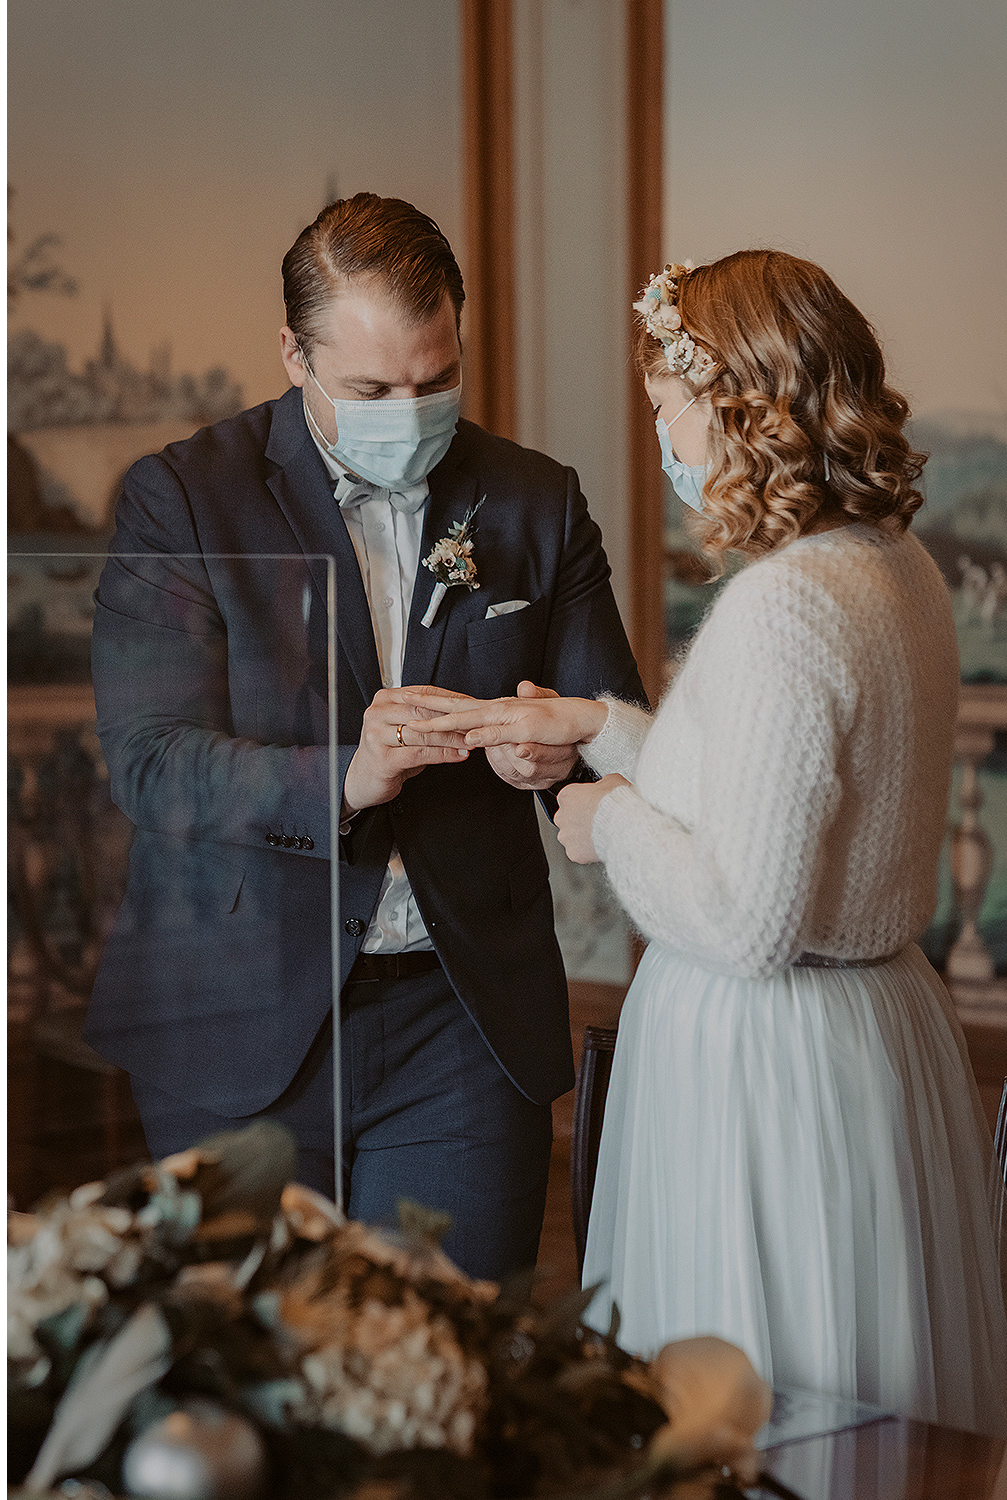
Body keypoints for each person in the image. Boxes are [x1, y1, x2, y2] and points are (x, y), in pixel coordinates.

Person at [410, 249, 1007, 1432]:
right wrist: (594, 724)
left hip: (767, 1062)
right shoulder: (896, 570)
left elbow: (744, 914)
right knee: (860, 1403)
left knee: (755, 1402)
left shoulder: (782, 605)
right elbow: (764, 776)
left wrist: (601, 820)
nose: (663, 444)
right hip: (872, 1024)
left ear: (739, 406)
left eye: (666, 413)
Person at [85, 193, 646, 1280]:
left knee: (444, 1384)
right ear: (292, 354)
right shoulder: (182, 501)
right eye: (372, 389)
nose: (411, 408)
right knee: (242, 1402)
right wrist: (344, 776)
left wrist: (555, 754)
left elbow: (604, 723)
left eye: (436, 380)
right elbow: (149, 762)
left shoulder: (535, 503)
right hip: (235, 1013)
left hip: (460, 1026)